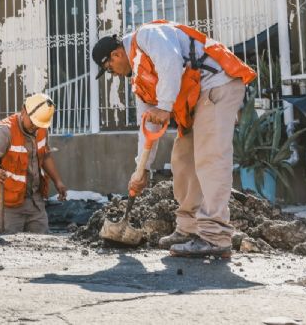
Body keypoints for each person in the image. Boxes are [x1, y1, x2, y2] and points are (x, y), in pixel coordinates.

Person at [91, 20, 255, 257]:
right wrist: (142, 169)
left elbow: (171, 61)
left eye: (108, 68)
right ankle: (188, 229)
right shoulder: (139, 80)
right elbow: (147, 125)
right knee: (183, 160)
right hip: (195, 98)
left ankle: (215, 236)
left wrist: (165, 106)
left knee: (210, 157)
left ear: (116, 54)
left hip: (216, 84)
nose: (112, 74)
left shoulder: (147, 36)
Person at [0, 93, 69, 234]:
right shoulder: (4, 130)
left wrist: (58, 182)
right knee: (3, 249)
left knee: (42, 244)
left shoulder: (41, 128)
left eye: (39, 125)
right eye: (33, 122)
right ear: (24, 110)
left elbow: (44, 155)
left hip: (33, 201)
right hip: (5, 202)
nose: (35, 128)